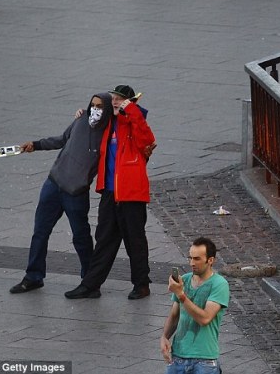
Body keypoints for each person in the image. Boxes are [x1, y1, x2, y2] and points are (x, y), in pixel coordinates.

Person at [9, 93, 113, 294]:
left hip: (76, 193)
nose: (95, 109)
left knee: (81, 237)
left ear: (107, 109)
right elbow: (61, 139)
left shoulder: (109, 133)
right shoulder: (81, 120)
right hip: (53, 185)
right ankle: (33, 277)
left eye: (100, 106)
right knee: (40, 231)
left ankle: (90, 283)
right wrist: (36, 145)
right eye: (92, 105)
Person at [65, 84, 156, 300]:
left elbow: (147, 140)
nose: (115, 102)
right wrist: (82, 115)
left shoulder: (134, 121)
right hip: (109, 191)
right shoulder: (108, 122)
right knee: (104, 239)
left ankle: (141, 285)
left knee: (135, 240)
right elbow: (91, 122)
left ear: (130, 101)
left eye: (120, 99)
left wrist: (131, 110)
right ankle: (90, 285)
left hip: (131, 193)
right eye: (113, 98)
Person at [160, 237, 230, 374]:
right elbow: (175, 315)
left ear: (210, 260)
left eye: (197, 259)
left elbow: (205, 319)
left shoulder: (220, 284)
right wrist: (164, 337)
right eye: (190, 258)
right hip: (178, 357)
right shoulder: (184, 280)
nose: (192, 263)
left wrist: (181, 295)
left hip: (204, 360)